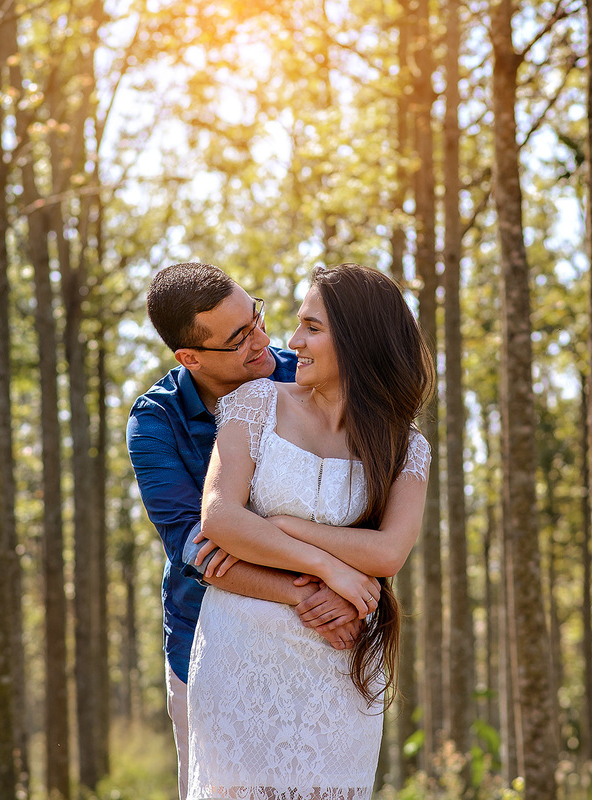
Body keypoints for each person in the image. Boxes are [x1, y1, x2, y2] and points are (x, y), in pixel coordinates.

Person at [126, 262, 377, 800]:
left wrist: (349, 591)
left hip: (326, 638)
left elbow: (358, 499)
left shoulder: (304, 374)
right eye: (238, 338)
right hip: (209, 640)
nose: (264, 341)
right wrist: (305, 589)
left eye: (256, 317)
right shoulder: (155, 423)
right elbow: (199, 548)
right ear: (189, 357)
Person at [186, 263, 433, 800]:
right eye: (298, 324)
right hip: (241, 656)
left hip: (340, 658)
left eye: (312, 327)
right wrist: (330, 567)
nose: (292, 341)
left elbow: (389, 552)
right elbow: (221, 519)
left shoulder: (406, 447)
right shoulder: (254, 406)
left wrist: (285, 527)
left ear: (360, 340)